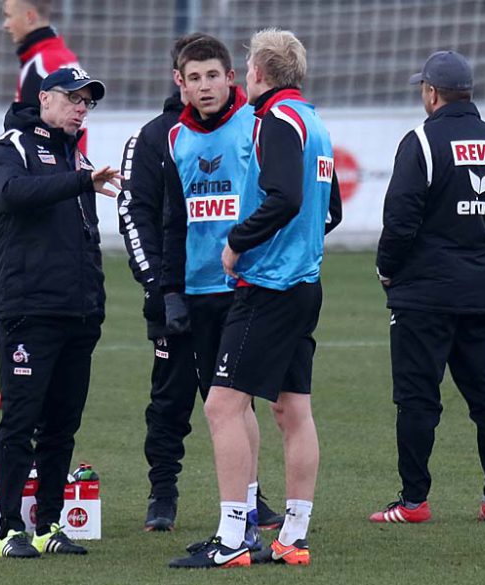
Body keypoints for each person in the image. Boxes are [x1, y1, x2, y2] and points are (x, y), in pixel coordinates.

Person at [169, 28, 342, 569]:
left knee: (222, 405)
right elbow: (330, 208)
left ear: (260, 73)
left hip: (269, 286)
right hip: (303, 284)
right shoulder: (313, 121)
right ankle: (291, 535)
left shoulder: (276, 121)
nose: (245, 75)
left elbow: (285, 197)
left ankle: (233, 537)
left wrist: (239, 241)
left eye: (246, 68)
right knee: (293, 409)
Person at [119, 33, 284, 534]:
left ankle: (249, 503)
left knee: (236, 399)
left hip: (239, 291)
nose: (205, 85)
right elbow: (143, 216)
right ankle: (162, 496)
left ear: (230, 77)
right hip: (176, 292)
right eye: (195, 77)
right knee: (170, 400)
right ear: (180, 81)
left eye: (213, 74)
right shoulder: (157, 138)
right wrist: (158, 287)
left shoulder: (256, 126)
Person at [368, 51, 485, 524]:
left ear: (432, 93)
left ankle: (413, 502)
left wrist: (386, 269)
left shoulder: (420, 141)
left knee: (418, 398)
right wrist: (484, 262)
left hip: (423, 296)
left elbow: (399, 219)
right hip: (482, 293)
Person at [0, 67, 121, 559]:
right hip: (28, 311)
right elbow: (9, 195)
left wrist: (95, 304)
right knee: (21, 420)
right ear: (44, 99)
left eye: (88, 102)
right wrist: (78, 179)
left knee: (62, 425)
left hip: (77, 315)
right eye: (72, 98)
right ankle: (9, 530)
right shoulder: (11, 147)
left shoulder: (75, 156)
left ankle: (49, 524)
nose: (81, 107)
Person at [0, 0, 85, 412]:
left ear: (29, 15)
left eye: (9, 14)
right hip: (57, 183)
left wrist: (66, 177)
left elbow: (53, 133)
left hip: (51, 189)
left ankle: (20, 379)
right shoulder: (47, 56)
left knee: (26, 279)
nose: (5, 23)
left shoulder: (44, 62)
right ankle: (18, 379)